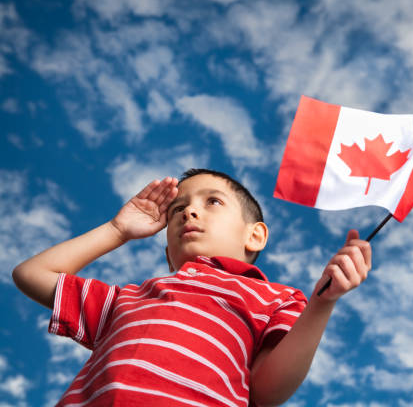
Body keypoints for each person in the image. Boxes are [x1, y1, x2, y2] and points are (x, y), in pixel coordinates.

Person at [12, 168, 372, 406]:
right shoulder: (130, 299)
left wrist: (322, 304)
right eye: (177, 209)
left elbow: (267, 389)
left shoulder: (274, 298)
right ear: (168, 253)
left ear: (255, 235)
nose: (189, 212)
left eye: (212, 201)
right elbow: (32, 273)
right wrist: (117, 230)